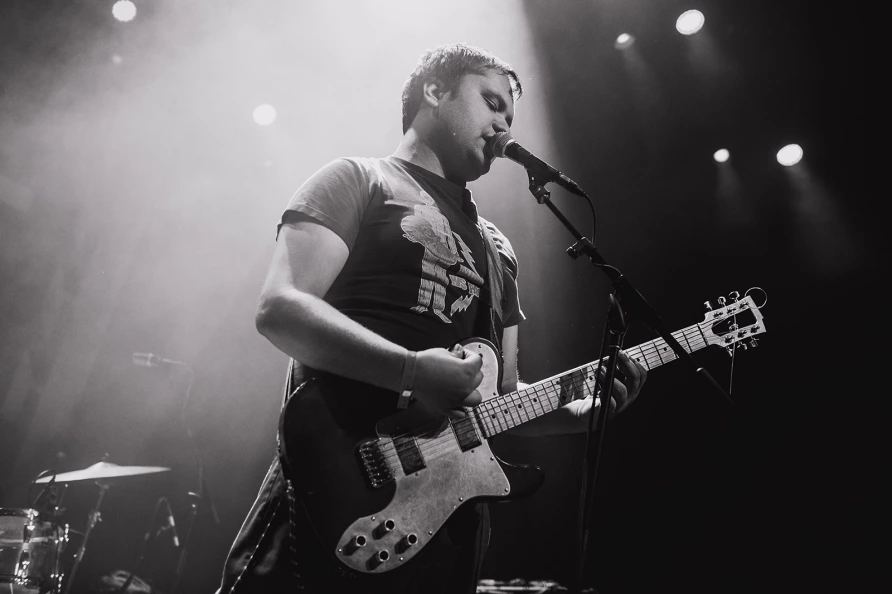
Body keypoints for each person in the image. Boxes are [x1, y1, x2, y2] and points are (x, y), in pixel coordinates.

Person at [216, 43, 647, 594]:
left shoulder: (499, 250)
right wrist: (413, 371)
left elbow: (500, 397)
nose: (502, 123)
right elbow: (280, 309)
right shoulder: (358, 179)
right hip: (337, 490)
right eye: (491, 101)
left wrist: (579, 414)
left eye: (510, 115)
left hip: (445, 527)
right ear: (435, 91)